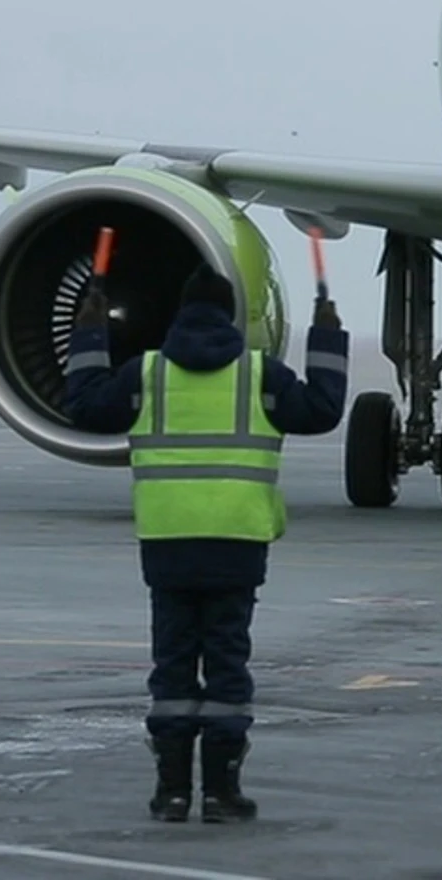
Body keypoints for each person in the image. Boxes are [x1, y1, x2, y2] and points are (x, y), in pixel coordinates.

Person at [63, 262, 349, 823]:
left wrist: (89, 331)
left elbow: (86, 405)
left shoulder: (147, 374)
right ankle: (221, 792)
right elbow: (322, 410)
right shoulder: (258, 374)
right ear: (229, 317)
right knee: (226, 665)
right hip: (237, 544)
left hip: (168, 544)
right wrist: (327, 335)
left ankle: (171, 792)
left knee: (172, 666)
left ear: (180, 315)